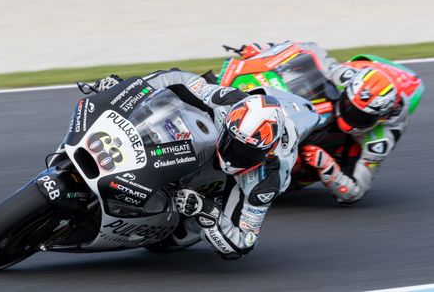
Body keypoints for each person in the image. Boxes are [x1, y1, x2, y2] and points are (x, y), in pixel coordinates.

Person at [96, 69, 320, 259]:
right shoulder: (228, 102)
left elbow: (243, 243)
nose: (236, 156)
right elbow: (178, 78)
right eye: (235, 144)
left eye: (247, 153)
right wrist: (130, 88)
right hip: (215, 132)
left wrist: (206, 211)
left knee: (173, 239)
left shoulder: (266, 181)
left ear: (267, 152)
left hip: (242, 181)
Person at [231, 41, 424, 204]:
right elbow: (307, 49)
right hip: (360, 82)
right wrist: (264, 51)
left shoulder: (380, 141)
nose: (349, 117)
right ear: (348, 90)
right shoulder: (344, 75)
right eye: (348, 105)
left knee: (318, 153)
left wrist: (327, 166)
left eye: (360, 116)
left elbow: (354, 192)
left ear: (379, 118)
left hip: (339, 151)